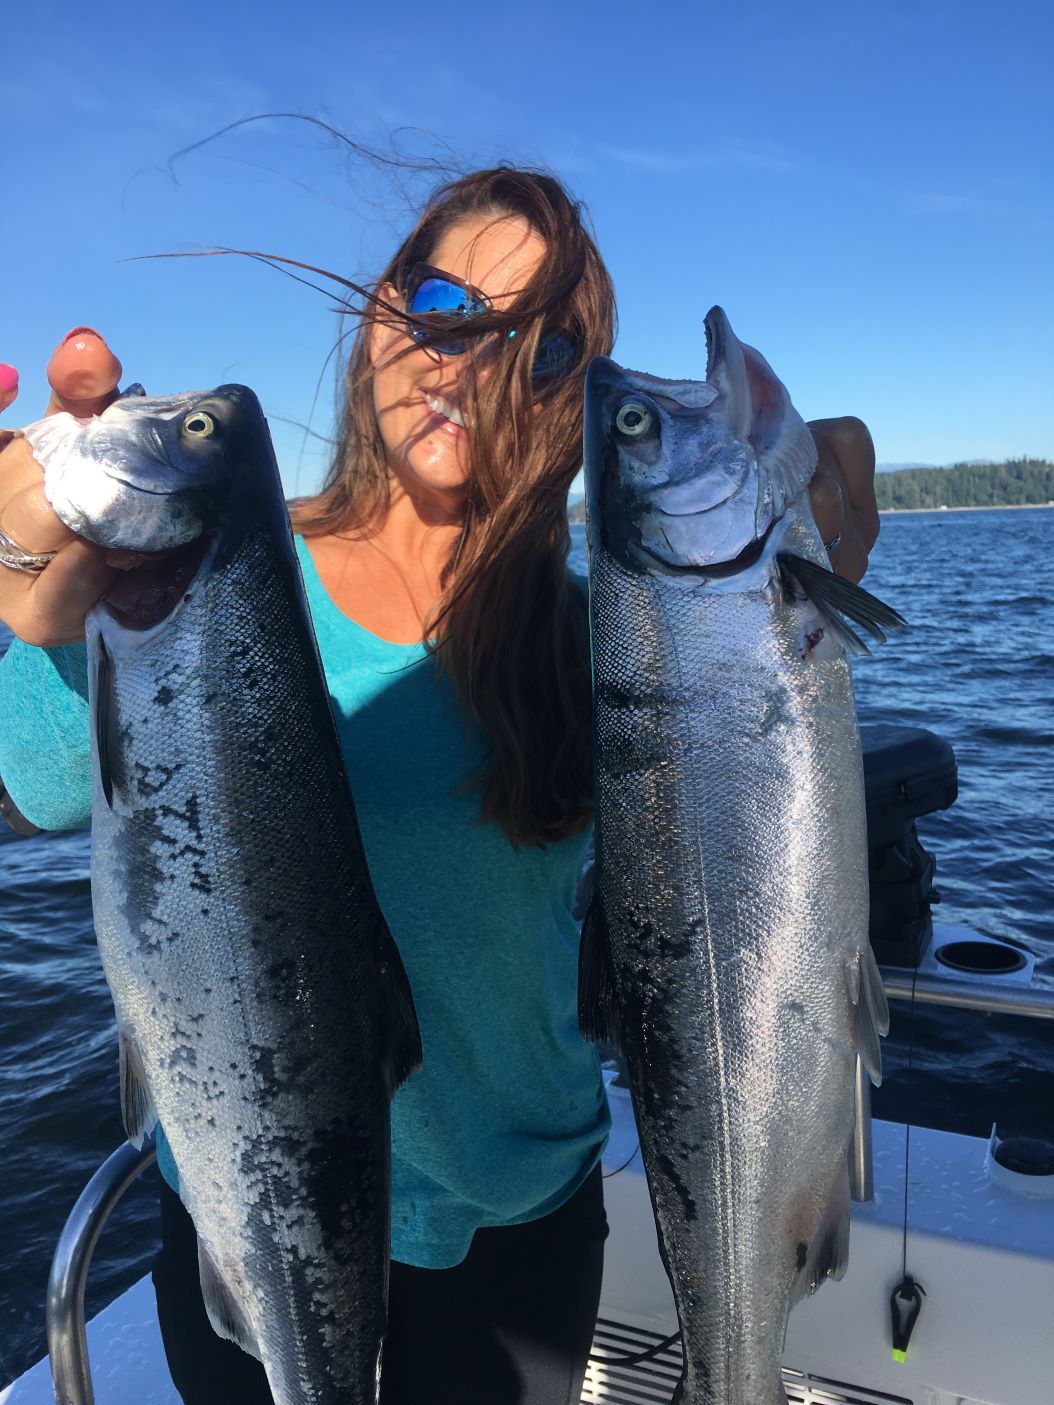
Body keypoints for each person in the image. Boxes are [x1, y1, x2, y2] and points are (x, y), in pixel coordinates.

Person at [0, 166, 880, 1405]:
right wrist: (40, 574)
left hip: (517, 1215)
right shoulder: (215, 570)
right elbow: (38, 790)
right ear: (376, 310)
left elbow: (761, 826)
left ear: (570, 394)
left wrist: (815, 517)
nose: (467, 364)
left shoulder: (621, 628)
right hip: (250, 1203)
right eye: (445, 301)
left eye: (540, 346)